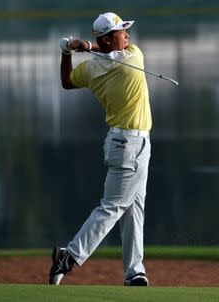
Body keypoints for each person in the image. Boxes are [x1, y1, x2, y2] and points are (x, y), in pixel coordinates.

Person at [49, 12, 152, 286]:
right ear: (108, 39)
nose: (127, 35)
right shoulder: (134, 58)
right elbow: (108, 51)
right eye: (121, 32)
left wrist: (67, 51)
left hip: (120, 142)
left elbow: (67, 81)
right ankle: (69, 257)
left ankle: (134, 272)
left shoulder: (91, 69)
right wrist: (86, 46)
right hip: (133, 144)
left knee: (134, 209)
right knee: (113, 207)